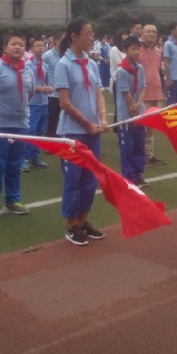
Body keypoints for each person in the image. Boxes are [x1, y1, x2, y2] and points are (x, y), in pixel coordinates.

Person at [55, 18, 107, 246]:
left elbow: (98, 93)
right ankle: (71, 226)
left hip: (93, 131)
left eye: (92, 33)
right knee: (73, 179)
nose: (91, 37)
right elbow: (64, 103)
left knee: (89, 180)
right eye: (87, 33)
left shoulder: (91, 63)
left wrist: (103, 118)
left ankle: (84, 221)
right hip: (72, 133)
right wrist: (87, 123)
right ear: (74, 36)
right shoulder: (63, 64)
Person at [0, 33, 34, 219]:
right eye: (14, 44)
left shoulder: (28, 71)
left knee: (15, 164)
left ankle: (13, 200)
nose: (18, 47)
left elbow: (30, 94)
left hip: (20, 126)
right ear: (5, 48)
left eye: (21, 44)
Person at [115, 36, 147, 187]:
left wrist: (139, 104)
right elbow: (125, 92)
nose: (136, 52)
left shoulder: (140, 68)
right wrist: (132, 107)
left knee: (140, 144)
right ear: (125, 50)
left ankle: (138, 173)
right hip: (126, 115)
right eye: (133, 49)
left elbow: (143, 87)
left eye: (138, 49)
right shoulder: (121, 70)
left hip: (139, 112)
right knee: (127, 147)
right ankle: (128, 176)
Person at [138, 24, 165, 164]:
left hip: (157, 91)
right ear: (142, 34)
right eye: (148, 31)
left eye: (154, 32)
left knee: (152, 126)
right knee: (142, 124)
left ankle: (150, 154)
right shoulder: (137, 50)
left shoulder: (159, 51)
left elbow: (159, 71)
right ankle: (140, 153)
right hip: (143, 93)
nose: (152, 34)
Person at [25, 37, 51, 169]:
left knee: (40, 130)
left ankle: (35, 156)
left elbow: (46, 82)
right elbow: (27, 85)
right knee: (31, 130)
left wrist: (48, 88)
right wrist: (41, 89)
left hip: (44, 102)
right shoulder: (28, 65)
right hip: (33, 102)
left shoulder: (45, 66)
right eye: (37, 45)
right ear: (32, 49)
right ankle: (25, 158)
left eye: (42, 45)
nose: (40, 47)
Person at [42, 30, 65, 137]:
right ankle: (49, 142)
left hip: (64, 94)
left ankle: (60, 141)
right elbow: (41, 72)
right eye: (62, 40)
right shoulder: (47, 56)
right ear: (56, 41)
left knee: (62, 120)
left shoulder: (68, 55)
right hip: (52, 94)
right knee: (51, 120)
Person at [163, 22, 177, 106]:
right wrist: (168, 79)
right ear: (172, 31)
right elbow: (166, 62)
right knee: (171, 102)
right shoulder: (168, 44)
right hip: (172, 78)